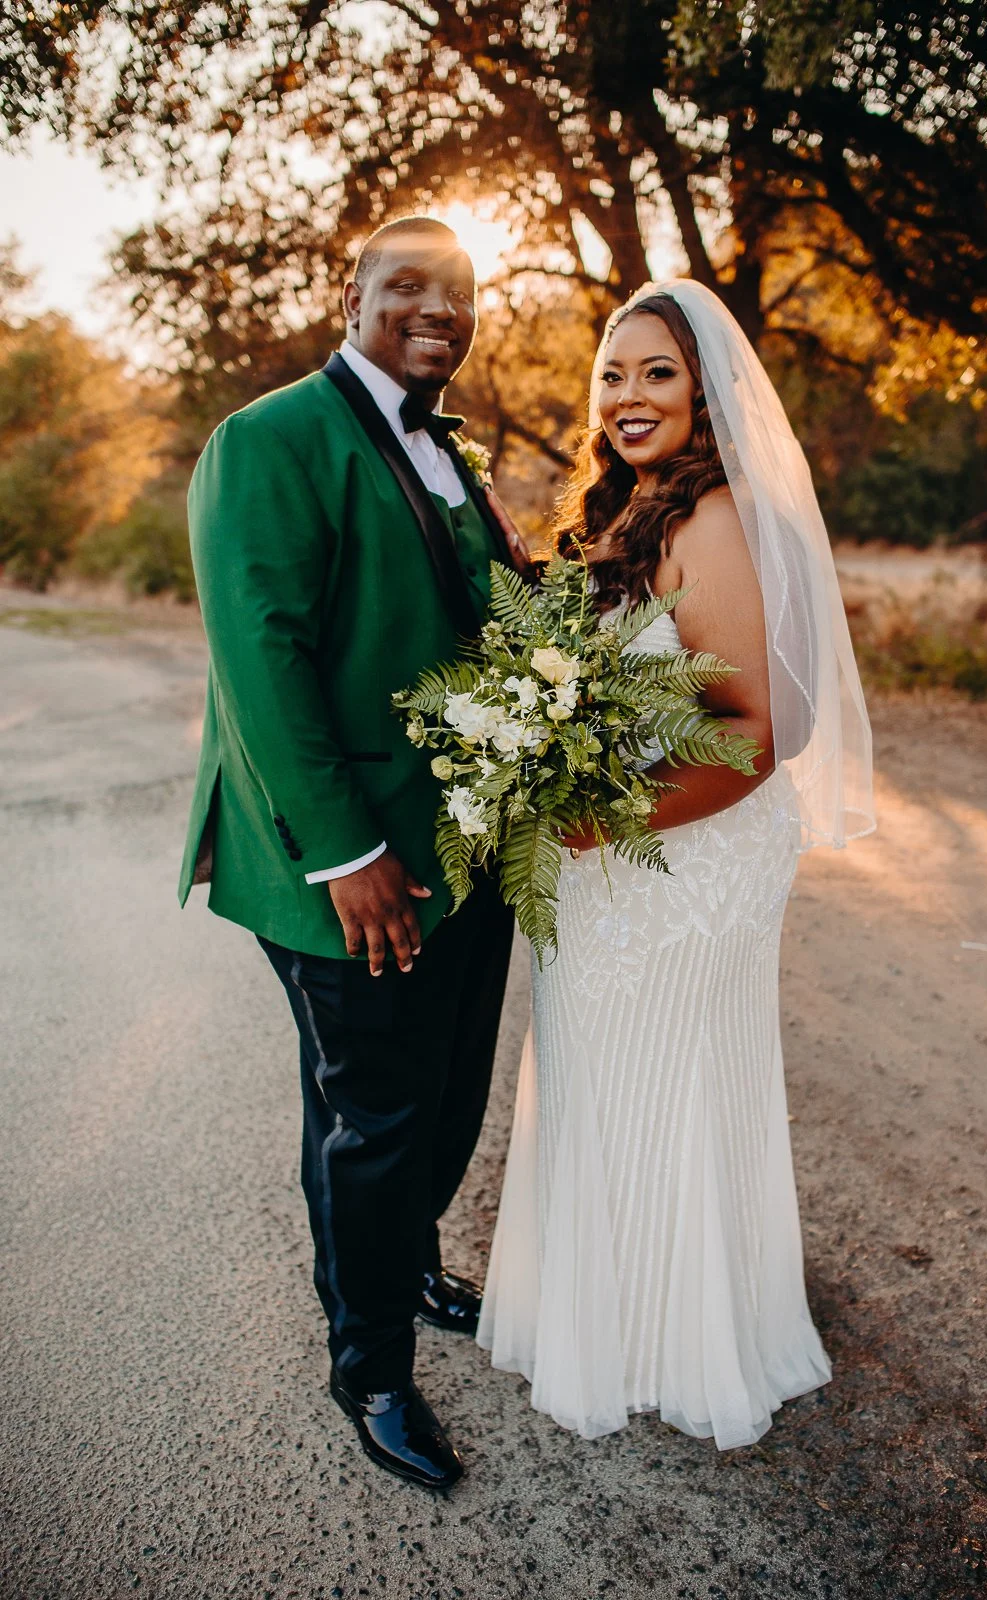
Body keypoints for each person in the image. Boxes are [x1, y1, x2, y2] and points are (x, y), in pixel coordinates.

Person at [477, 280, 876, 1446]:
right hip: (617, 854)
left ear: (704, 386)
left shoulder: (716, 515)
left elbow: (755, 735)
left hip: (682, 860)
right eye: (613, 372)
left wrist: (596, 824)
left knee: (671, 1080)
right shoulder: (627, 508)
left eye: (657, 371)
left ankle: (678, 1335)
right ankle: (622, 1314)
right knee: (609, 1083)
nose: (630, 393)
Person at [179, 216, 527, 1491]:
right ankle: (369, 1363)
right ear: (356, 294)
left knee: (441, 1093)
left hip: (471, 845)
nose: (438, 310)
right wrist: (345, 854)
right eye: (409, 287)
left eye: (461, 292)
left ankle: (410, 1261)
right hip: (353, 862)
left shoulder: (444, 450)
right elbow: (259, 660)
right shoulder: (268, 439)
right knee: (372, 1114)